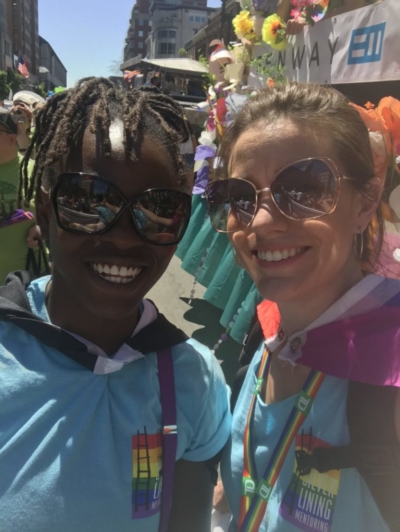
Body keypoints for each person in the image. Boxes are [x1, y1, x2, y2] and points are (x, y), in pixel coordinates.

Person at [0, 78, 231, 532]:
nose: (124, 237)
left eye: (160, 208)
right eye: (88, 201)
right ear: (44, 213)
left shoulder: (193, 380)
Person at [205, 83, 400, 531]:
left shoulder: (390, 375)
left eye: (305, 187)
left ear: (366, 202)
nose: (263, 222)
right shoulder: (268, 334)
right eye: (239, 195)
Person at [0, 108, 42, 283]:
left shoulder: (35, 171)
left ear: (11, 138)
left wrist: (42, 227)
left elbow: (60, 212)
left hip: (24, 282)